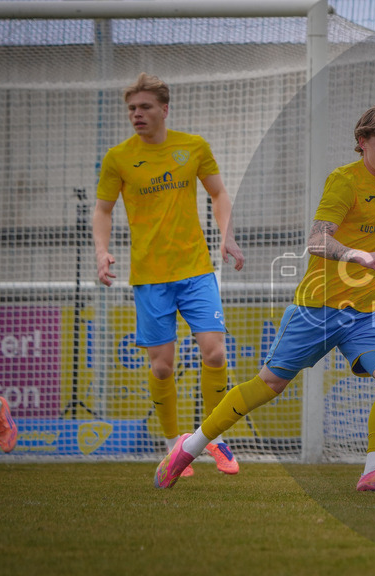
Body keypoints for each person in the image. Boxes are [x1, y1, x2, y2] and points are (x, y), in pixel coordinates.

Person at [154, 103, 375, 492]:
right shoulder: (344, 181)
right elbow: (316, 240)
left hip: (365, 312)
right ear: (362, 143)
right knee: (269, 385)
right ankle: (188, 447)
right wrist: (360, 256)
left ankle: (373, 471)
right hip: (318, 308)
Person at [93, 73, 245, 477]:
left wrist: (226, 237)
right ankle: (172, 445)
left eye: (144, 107)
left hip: (196, 269)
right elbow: (103, 209)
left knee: (215, 351)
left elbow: (218, 192)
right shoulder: (118, 158)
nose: (136, 114)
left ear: (164, 109)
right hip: (149, 276)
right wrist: (102, 251)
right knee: (162, 366)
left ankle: (213, 437)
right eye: (131, 108)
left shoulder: (193, 147)